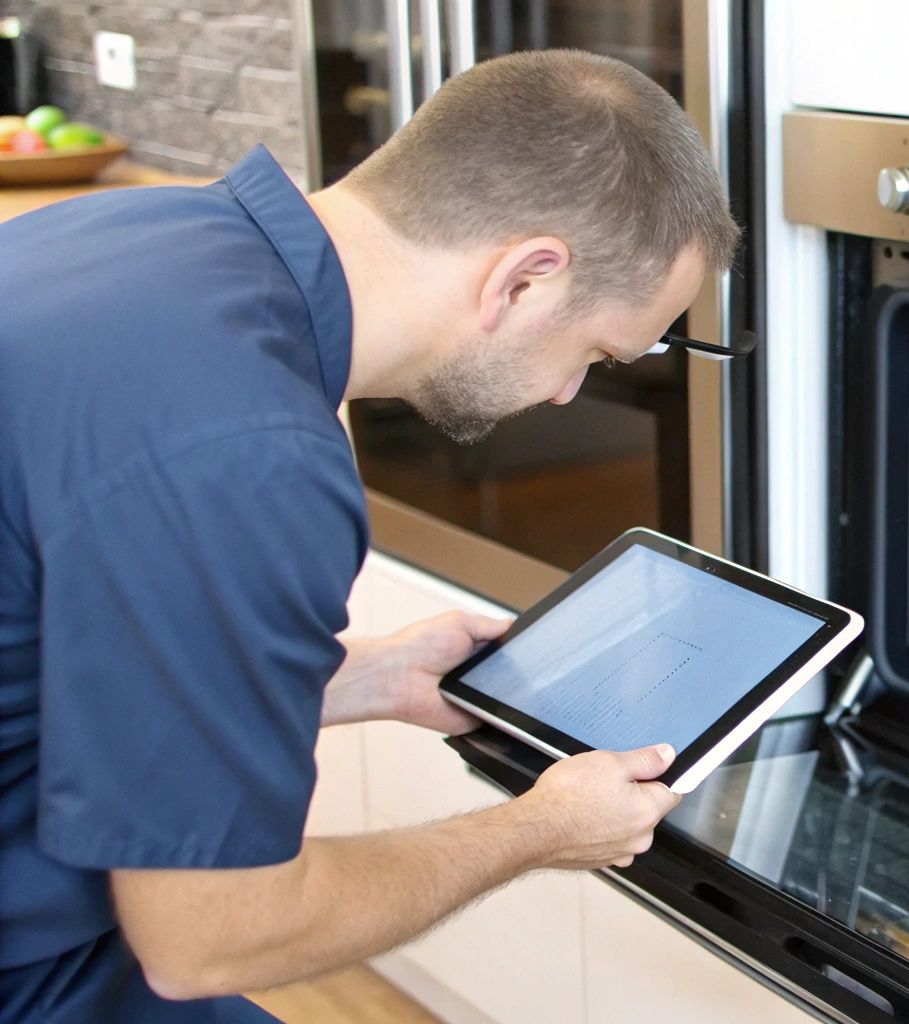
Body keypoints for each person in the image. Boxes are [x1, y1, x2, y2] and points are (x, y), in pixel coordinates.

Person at [0, 49, 741, 1022]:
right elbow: (211, 936)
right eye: (596, 353)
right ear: (524, 277)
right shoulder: (249, 453)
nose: (567, 392)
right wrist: (536, 830)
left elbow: (86, 649)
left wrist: (368, 677)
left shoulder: (139, 230)